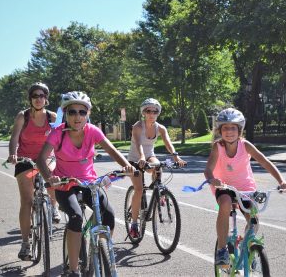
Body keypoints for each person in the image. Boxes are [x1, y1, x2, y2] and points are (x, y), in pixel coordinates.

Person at [36, 91, 135, 277]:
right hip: (65, 184)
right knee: (75, 218)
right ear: (65, 114)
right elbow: (41, 160)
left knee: (109, 216)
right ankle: (73, 269)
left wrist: (127, 166)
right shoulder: (58, 133)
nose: (77, 116)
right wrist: (50, 177)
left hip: (90, 183)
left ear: (88, 114)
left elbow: (113, 151)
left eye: (82, 112)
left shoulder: (93, 131)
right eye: (72, 112)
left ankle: (100, 249)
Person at [204, 107, 286, 266]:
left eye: (233, 128)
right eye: (225, 128)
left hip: (245, 188)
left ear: (239, 130)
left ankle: (247, 247)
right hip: (224, 187)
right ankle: (222, 250)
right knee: (225, 203)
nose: (229, 131)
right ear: (220, 130)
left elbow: (265, 162)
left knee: (254, 220)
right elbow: (208, 169)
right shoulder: (218, 147)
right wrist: (212, 179)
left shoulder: (246, 145)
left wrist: (281, 181)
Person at [7, 82, 61, 261]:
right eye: (35, 96)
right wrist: (13, 154)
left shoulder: (53, 117)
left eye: (42, 96)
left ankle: (54, 206)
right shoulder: (23, 116)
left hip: (46, 159)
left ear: (46, 98)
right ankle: (25, 243)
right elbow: (14, 138)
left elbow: (61, 136)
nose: (38, 99)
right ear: (30, 99)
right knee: (27, 200)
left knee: (52, 176)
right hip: (26, 161)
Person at [127, 98, 186, 238]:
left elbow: (168, 142)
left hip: (149, 156)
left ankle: (158, 193)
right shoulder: (137, 126)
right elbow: (138, 143)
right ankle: (134, 224)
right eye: (148, 111)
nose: (152, 114)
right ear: (144, 113)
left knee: (158, 165)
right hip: (135, 159)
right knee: (139, 190)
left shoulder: (160, 128)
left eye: (155, 111)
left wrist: (175, 156)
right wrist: (141, 157)